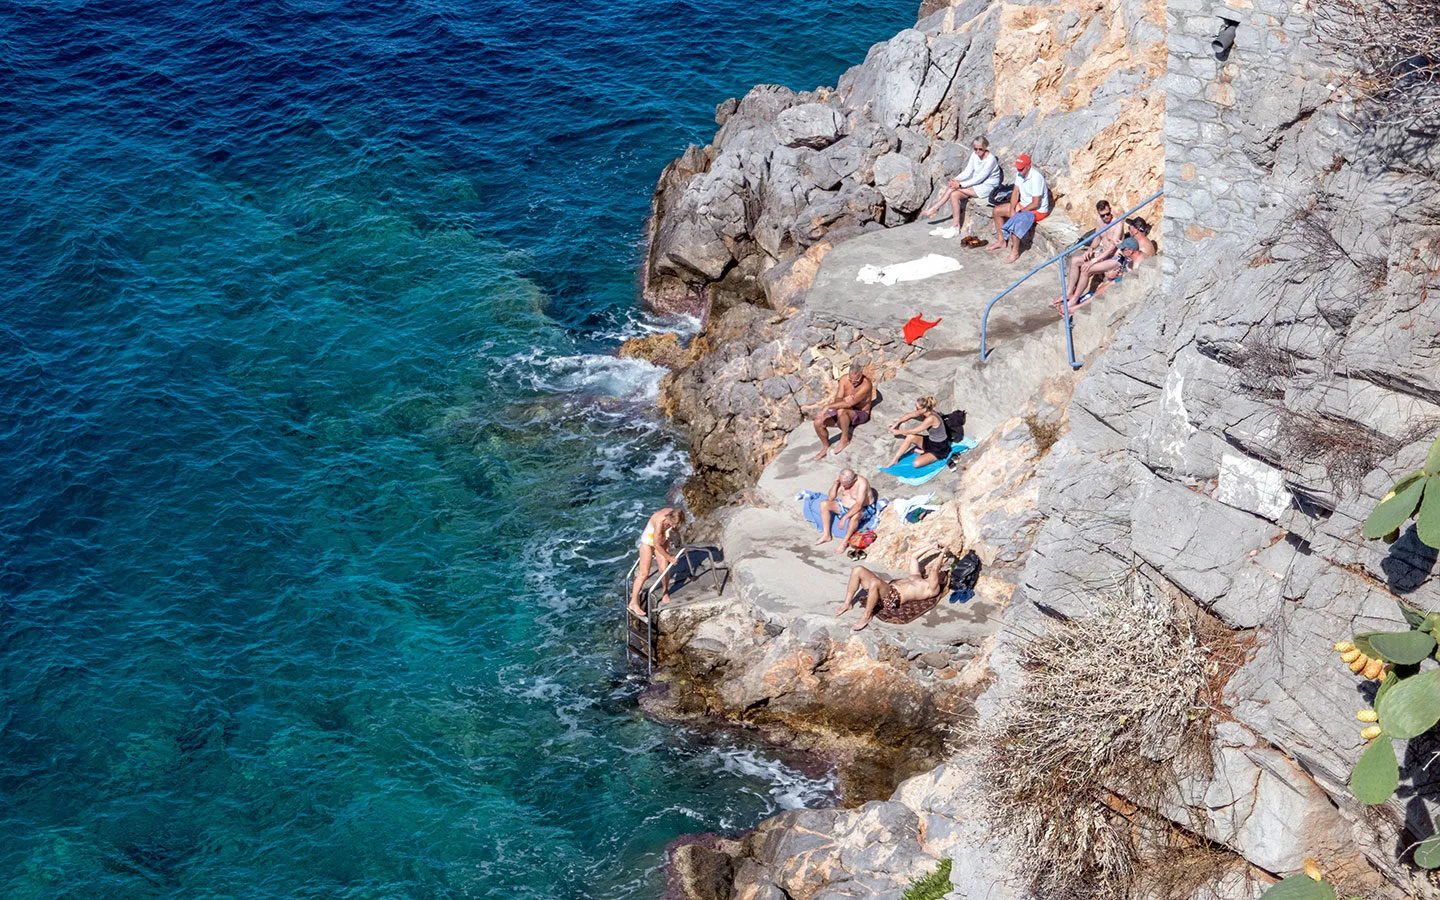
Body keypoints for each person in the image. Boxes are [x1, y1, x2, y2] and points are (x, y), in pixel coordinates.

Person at [834, 543, 953, 632]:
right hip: (884, 590)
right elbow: (913, 557)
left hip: (892, 598)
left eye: (938, 575)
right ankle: (847, 603)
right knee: (858, 569)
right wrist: (931, 546)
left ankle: (866, 616)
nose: (936, 574)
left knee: (875, 582)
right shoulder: (917, 576)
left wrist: (943, 553)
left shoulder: (931, 588)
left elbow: (934, 569)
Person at [921, 135, 1001, 233]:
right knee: (954, 194)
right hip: (976, 184)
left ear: (985, 148)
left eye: (980, 149)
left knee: (953, 189)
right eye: (975, 149)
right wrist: (956, 179)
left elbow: (980, 178)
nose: (978, 151)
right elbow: (968, 171)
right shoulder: (974, 155)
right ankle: (955, 225)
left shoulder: (990, 160)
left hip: (987, 187)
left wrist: (960, 185)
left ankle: (934, 208)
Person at [1056, 200, 1122, 310]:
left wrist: (1093, 261)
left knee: (1086, 269)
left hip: (1114, 258)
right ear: (1098, 213)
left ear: (1110, 209)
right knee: (1075, 261)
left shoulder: (1117, 224)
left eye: (1108, 214)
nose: (1106, 217)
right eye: (1103, 215)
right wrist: (1091, 249)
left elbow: (1111, 249)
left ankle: (1073, 300)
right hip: (1103, 254)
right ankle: (1069, 293)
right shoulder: (1099, 220)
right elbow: (1097, 237)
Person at [988, 153, 1050, 264]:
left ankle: (1015, 252)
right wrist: (1012, 209)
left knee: (1016, 222)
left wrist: (1019, 212)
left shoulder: (1036, 178)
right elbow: (1015, 192)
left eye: (1021, 169)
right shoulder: (1020, 174)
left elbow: (1036, 203)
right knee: (996, 211)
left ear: (1028, 167)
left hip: (1037, 210)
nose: (1019, 170)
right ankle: (1001, 241)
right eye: (1018, 168)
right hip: (1023, 205)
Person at [807, 362, 875, 461]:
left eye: (856, 381)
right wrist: (843, 400)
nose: (853, 383)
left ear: (861, 376)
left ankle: (844, 439)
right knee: (818, 421)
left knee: (842, 410)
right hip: (844, 410)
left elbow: (848, 404)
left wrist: (827, 407)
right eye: (851, 380)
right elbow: (838, 398)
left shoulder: (866, 384)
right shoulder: (844, 379)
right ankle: (825, 447)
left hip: (860, 413)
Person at [628, 506, 683, 621]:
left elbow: (672, 528)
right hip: (648, 542)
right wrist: (669, 557)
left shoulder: (673, 513)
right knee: (644, 573)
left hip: (662, 541)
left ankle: (665, 592)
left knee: (664, 569)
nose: (672, 526)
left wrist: (675, 533)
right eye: (671, 524)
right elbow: (656, 545)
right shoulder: (659, 522)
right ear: (667, 519)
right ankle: (633, 602)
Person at [814, 468, 876, 554]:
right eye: (842, 483)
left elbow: (858, 505)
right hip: (845, 507)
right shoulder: (842, 481)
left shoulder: (862, 483)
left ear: (853, 480)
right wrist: (836, 483)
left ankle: (844, 542)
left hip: (863, 508)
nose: (843, 486)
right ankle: (826, 535)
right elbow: (831, 498)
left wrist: (844, 518)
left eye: (845, 484)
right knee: (824, 504)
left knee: (855, 516)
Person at [885, 395, 951, 468]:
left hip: (939, 448)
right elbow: (909, 415)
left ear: (924, 409)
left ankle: (927, 453)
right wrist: (896, 423)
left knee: (916, 463)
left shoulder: (931, 418)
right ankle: (895, 459)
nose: (915, 409)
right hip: (930, 441)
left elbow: (914, 431)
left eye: (917, 408)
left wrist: (898, 432)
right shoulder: (926, 412)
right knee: (910, 437)